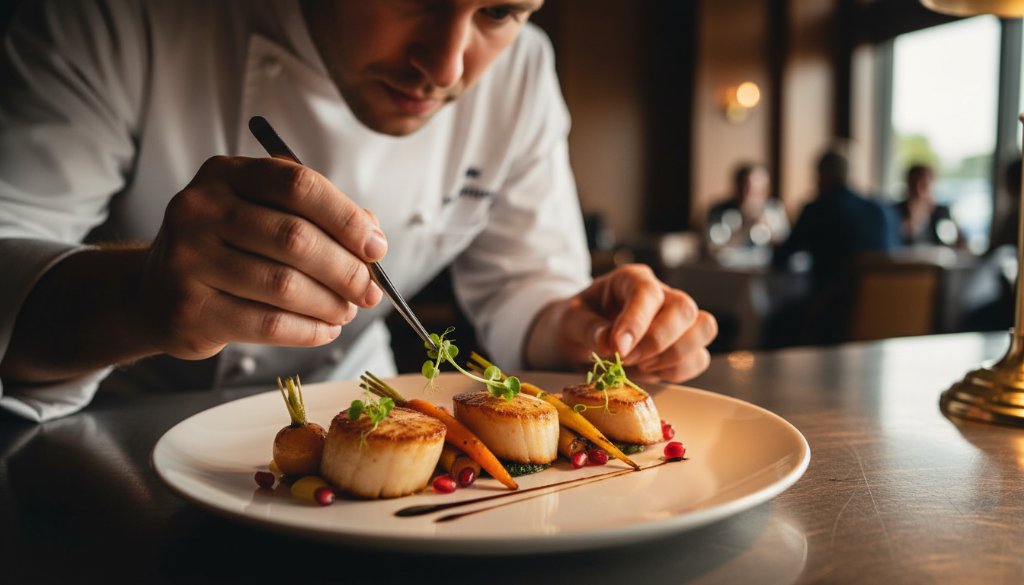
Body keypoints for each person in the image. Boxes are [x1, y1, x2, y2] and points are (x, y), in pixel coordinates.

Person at [0, 0, 717, 422]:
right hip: (109, 428)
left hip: (360, 414)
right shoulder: (112, 19)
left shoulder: (523, 70)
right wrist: (139, 297)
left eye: (499, 11)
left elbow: (523, 284)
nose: (444, 67)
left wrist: (584, 327)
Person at [769, 148, 895, 344]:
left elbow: (780, 260)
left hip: (832, 313)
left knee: (773, 322)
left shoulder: (817, 209)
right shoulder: (880, 209)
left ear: (822, 175)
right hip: (885, 310)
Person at [705, 162, 789, 258]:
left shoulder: (774, 210)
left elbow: (787, 246)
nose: (748, 194)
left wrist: (770, 230)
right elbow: (712, 248)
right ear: (736, 187)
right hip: (728, 269)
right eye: (746, 187)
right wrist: (746, 228)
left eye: (757, 190)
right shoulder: (719, 211)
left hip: (765, 269)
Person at [892, 163, 961, 248]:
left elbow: (957, 242)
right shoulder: (895, 211)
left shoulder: (941, 212)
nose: (918, 190)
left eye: (924, 185)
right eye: (914, 184)